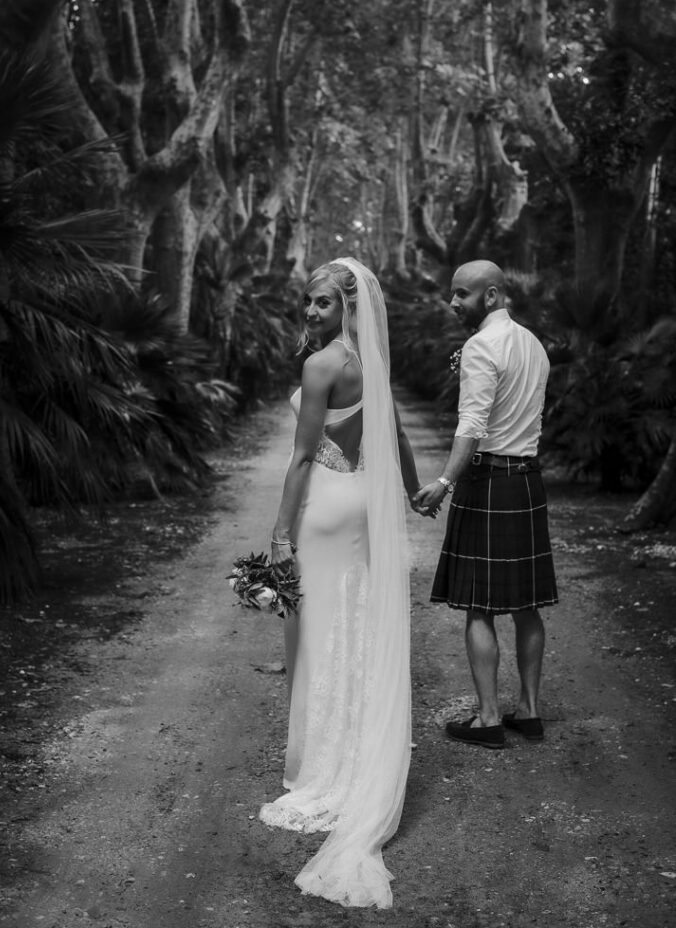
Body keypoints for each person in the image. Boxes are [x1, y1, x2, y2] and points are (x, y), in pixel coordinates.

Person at [259, 257, 420, 908]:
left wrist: (278, 532)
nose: (309, 311)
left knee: (321, 633)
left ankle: (323, 766)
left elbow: (300, 457)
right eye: (307, 301)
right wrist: (412, 491)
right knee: (350, 624)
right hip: (360, 502)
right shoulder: (369, 364)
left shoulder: (322, 366)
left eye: (321, 303)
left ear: (350, 306)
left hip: (324, 506)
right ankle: (357, 751)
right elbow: (398, 435)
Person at [414, 259, 558, 750]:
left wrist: (444, 482)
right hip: (527, 481)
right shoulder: (534, 344)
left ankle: (489, 718)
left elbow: (472, 425)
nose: (453, 302)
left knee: (479, 606)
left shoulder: (480, 346)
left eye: (462, 294)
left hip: (489, 482)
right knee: (527, 605)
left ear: (491, 295)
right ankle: (530, 712)